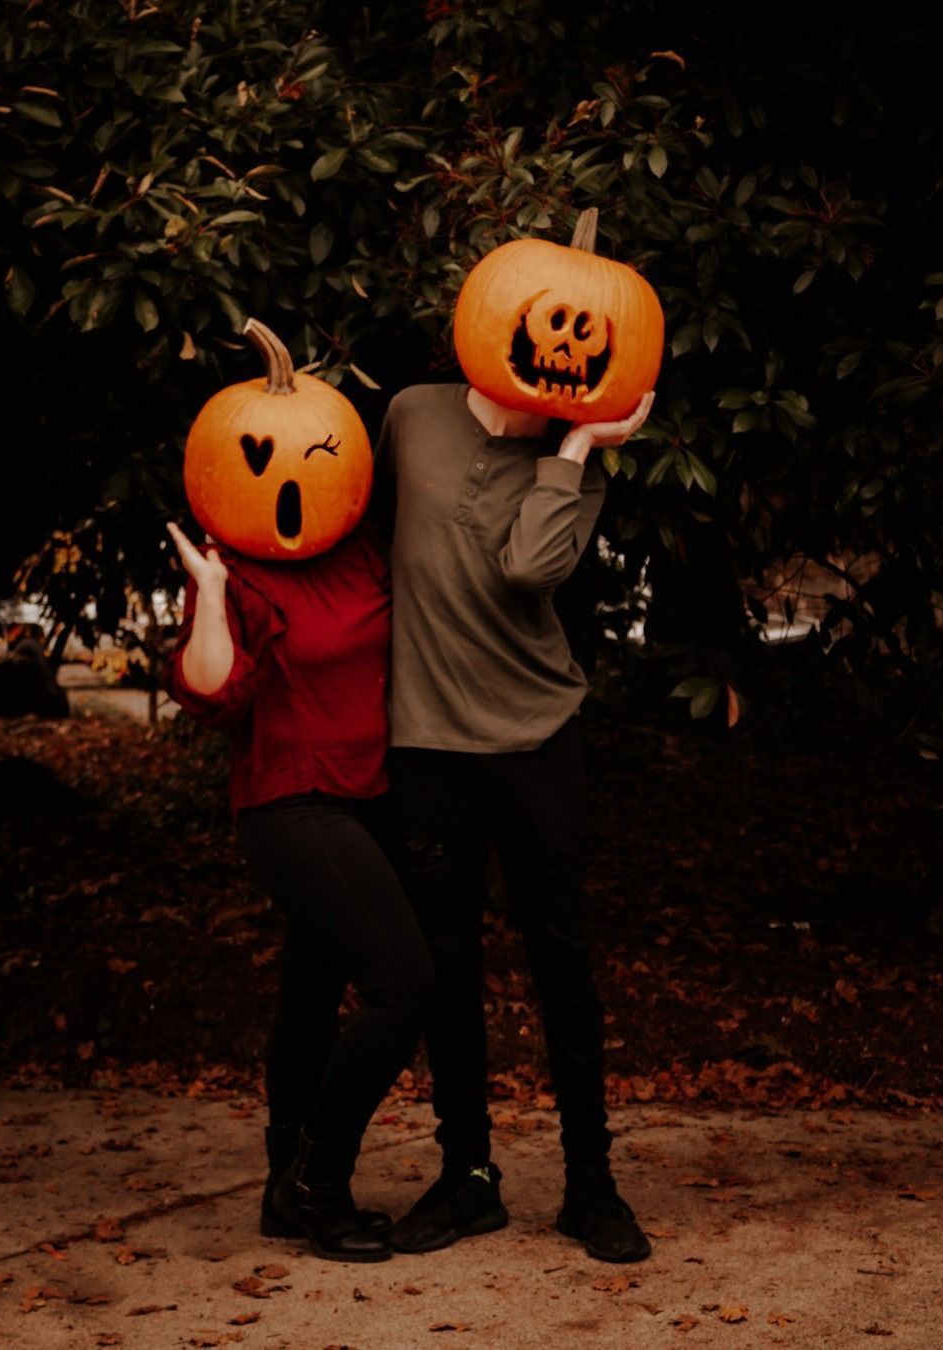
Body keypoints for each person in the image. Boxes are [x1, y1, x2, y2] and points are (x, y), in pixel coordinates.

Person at [373, 377, 655, 1263]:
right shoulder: (414, 413)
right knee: (445, 966)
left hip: (537, 740)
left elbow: (533, 567)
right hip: (426, 743)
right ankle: (469, 1180)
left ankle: (589, 1184)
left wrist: (574, 449)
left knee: (559, 959)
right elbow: (368, 539)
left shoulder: (573, 471)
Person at [161, 512, 433, 1264]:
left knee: (311, 990)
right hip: (290, 798)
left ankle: (284, 1186)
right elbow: (208, 693)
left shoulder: (359, 551)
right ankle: (319, 1182)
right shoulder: (234, 567)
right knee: (403, 985)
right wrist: (210, 591)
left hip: (371, 796)